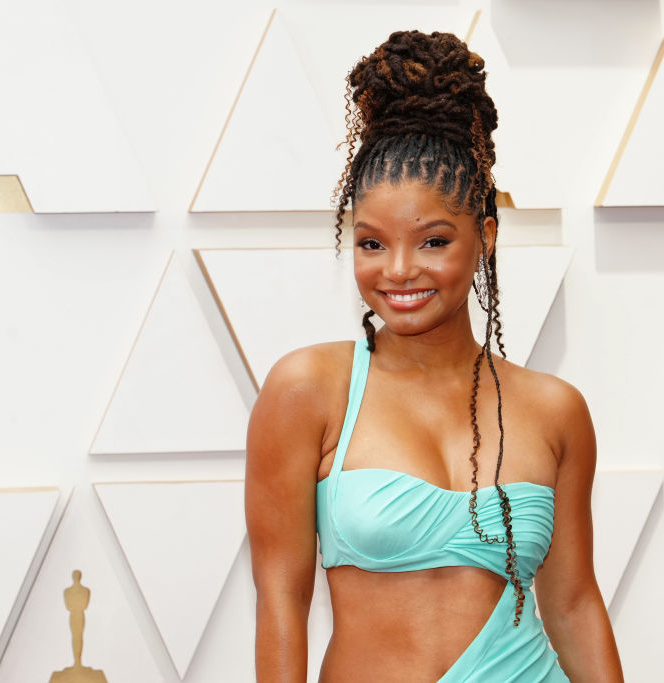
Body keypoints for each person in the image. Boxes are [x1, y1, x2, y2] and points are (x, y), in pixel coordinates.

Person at [246, 30, 623, 682]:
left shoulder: (556, 410)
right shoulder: (307, 390)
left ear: (485, 236)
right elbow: (282, 597)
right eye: (371, 243)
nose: (398, 270)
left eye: (432, 240)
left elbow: (572, 603)